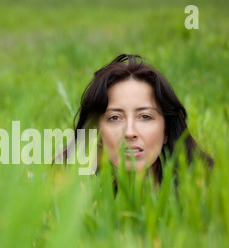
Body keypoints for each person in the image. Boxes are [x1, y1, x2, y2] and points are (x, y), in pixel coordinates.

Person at [65, 53, 213, 185]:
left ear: (166, 130)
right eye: (115, 117)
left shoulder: (205, 196)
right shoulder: (73, 201)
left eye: (145, 117)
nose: (129, 133)